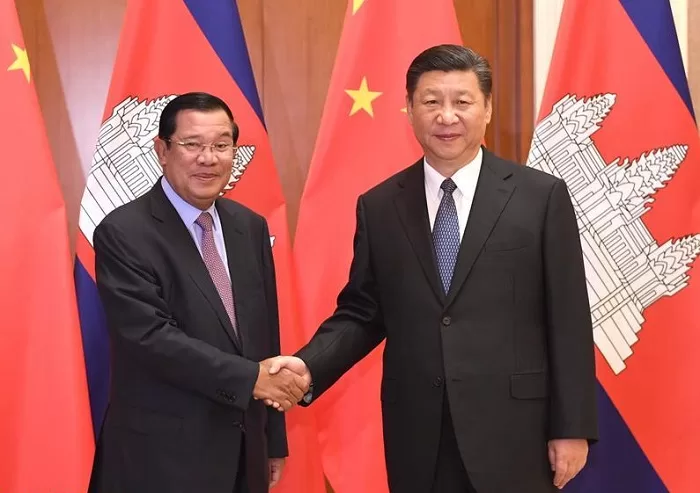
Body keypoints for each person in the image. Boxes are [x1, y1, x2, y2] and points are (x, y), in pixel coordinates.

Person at [269, 45, 598, 493]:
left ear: (487, 109)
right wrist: (309, 366)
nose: (446, 116)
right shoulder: (380, 206)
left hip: (516, 431)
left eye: (462, 101)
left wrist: (572, 427)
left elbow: (568, 318)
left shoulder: (540, 197)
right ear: (408, 109)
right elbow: (363, 312)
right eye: (431, 101)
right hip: (419, 433)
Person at [89, 92, 309, 493]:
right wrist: (250, 379)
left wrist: (272, 440)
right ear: (162, 150)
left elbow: (264, 336)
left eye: (222, 145)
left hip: (244, 452)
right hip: (161, 460)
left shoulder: (249, 227)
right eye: (192, 144)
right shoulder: (123, 232)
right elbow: (150, 338)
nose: (208, 159)